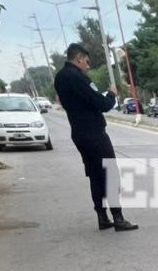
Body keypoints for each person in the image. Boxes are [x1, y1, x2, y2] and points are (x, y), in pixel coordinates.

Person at [54, 43, 138, 232]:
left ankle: (102, 217)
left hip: (78, 132)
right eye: (87, 62)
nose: (88, 66)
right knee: (110, 174)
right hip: (94, 133)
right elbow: (100, 103)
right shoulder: (77, 77)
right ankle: (118, 218)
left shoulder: (60, 78)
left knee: (95, 175)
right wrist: (111, 95)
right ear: (79, 59)